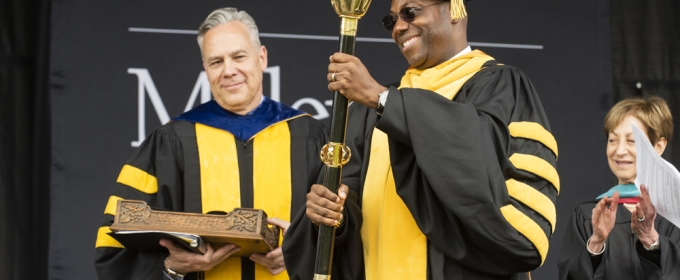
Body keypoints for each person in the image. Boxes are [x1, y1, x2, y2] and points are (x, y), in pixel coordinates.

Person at [283, 0, 558, 279]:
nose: (399, 27)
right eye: (392, 20)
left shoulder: (500, 86)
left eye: (411, 12)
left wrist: (381, 99)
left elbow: (479, 173)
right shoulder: (368, 114)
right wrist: (334, 216)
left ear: (454, 9)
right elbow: (351, 198)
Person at [94, 7, 327, 280]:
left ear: (261, 58)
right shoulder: (172, 143)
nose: (229, 71)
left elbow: (348, 230)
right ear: (205, 69)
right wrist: (172, 266)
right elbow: (114, 243)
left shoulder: (311, 137)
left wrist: (304, 248)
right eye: (216, 62)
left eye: (239, 56)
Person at [558, 96, 680, 279]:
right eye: (613, 140)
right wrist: (596, 244)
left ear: (658, 146)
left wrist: (652, 241)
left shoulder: (674, 215)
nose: (620, 150)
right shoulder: (587, 215)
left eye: (632, 141)